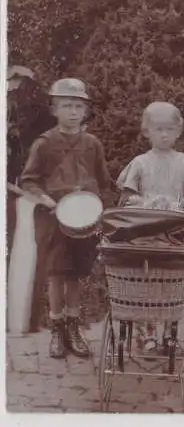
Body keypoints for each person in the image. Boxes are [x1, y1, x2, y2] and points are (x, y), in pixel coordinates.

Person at [20, 78, 112, 359]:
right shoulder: (44, 144)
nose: (73, 111)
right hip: (54, 220)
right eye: (67, 106)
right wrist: (44, 198)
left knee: (76, 276)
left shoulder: (92, 144)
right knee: (56, 274)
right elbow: (28, 181)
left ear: (85, 111)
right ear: (54, 109)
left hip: (85, 221)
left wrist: (100, 209)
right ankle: (57, 328)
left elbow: (104, 182)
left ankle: (74, 327)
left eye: (78, 106)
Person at [117, 101, 184, 353]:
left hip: (174, 233)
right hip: (145, 233)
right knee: (145, 280)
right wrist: (143, 202)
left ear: (179, 131)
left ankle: (170, 332)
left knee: (172, 281)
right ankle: (145, 332)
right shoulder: (140, 163)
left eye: (169, 129)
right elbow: (125, 199)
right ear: (147, 132)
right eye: (158, 129)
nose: (164, 135)